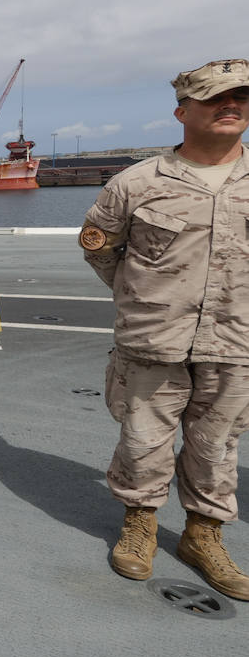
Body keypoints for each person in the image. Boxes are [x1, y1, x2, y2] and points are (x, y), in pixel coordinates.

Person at [83, 58, 249, 600]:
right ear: (183, 111)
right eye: (216, 98)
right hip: (154, 338)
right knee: (142, 438)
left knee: (218, 445)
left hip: (236, 339)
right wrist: (143, 298)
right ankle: (141, 522)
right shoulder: (137, 182)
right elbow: (100, 247)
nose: (231, 105)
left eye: (241, 97)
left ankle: (204, 535)